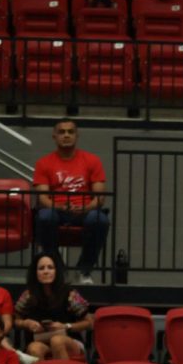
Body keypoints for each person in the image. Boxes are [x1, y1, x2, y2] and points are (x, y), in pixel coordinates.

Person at [33, 118, 111, 284]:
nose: (66, 135)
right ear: (54, 136)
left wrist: (85, 208)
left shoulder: (92, 160)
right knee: (45, 217)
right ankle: (58, 269)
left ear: (77, 135)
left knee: (99, 219)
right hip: (57, 211)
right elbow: (42, 198)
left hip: (84, 211)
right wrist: (61, 206)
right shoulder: (44, 163)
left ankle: (84, 270)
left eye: (70, 132)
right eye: (62, 132)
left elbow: (100, 197)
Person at [13, 251, 92, 361]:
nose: (46, 271)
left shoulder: (70, 293)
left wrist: (66, 326)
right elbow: (16, 320)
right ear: (35, 273)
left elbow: (89, 322)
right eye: (41, 268)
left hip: (69, 340)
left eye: (50, 267)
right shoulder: (28, 295)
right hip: (39, 340)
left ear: (57, 271)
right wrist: (26, 323)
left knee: (57, 341)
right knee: (34, 348)